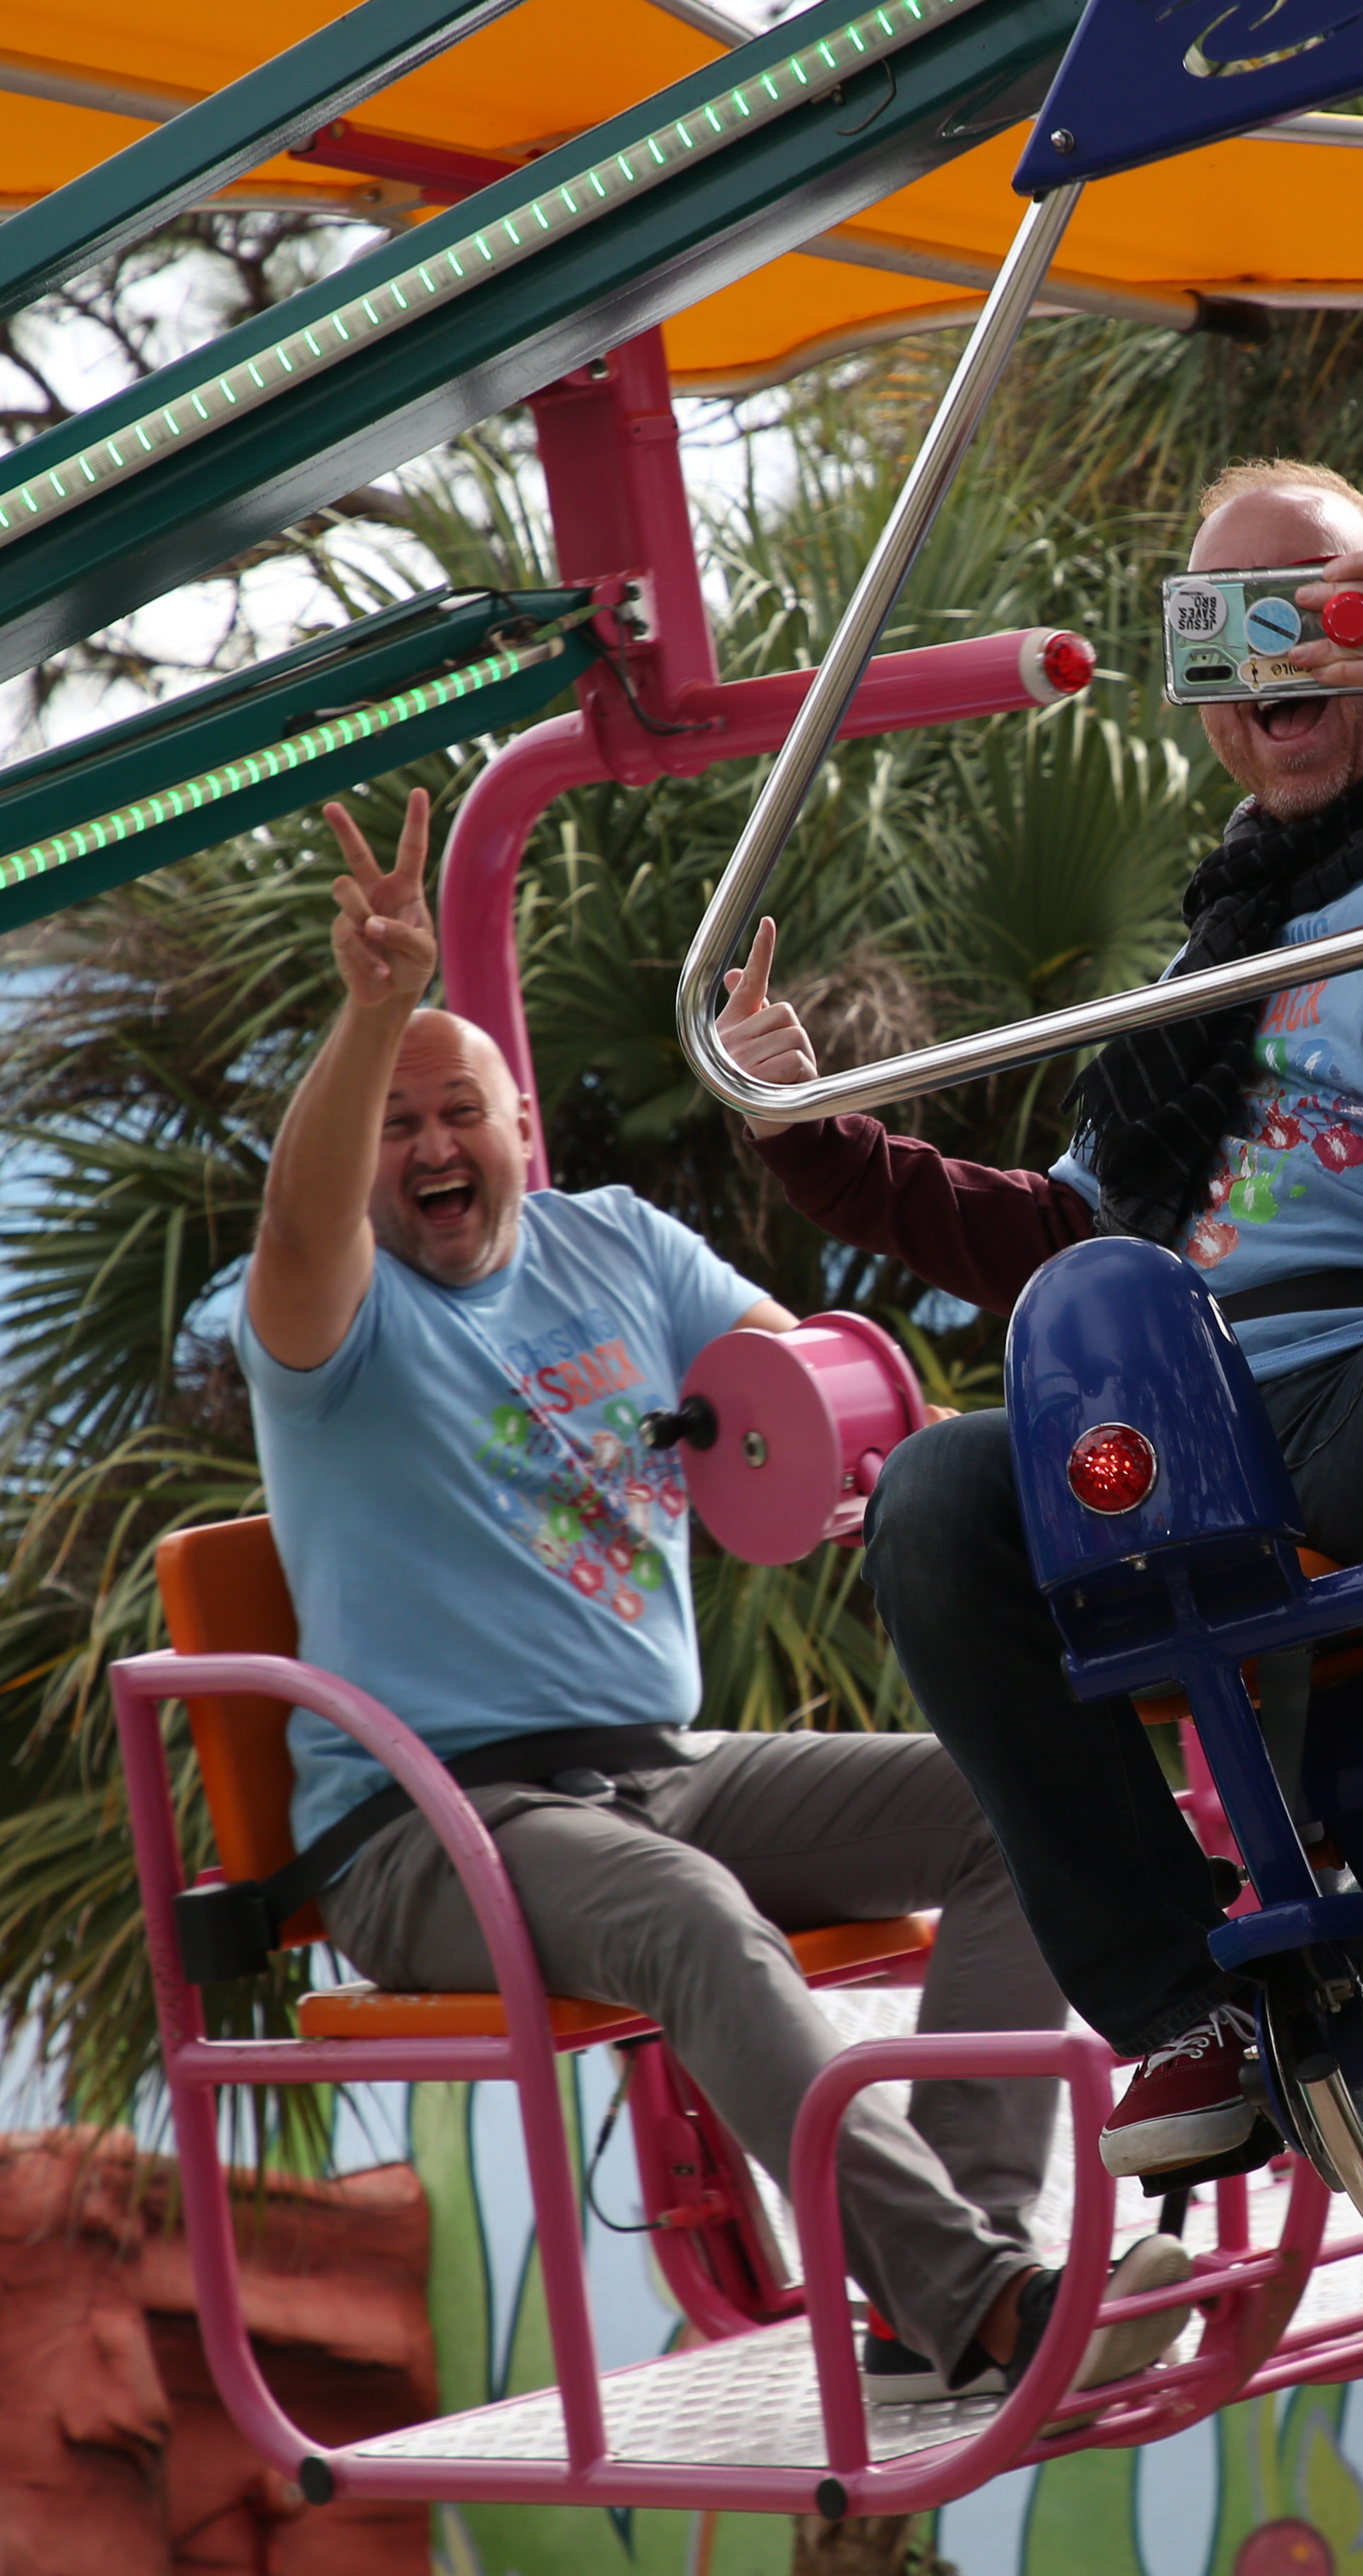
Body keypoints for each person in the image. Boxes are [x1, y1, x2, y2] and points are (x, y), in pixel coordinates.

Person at [716, 461, 1363, 2182]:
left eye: (1316, 613)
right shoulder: (1206, 968)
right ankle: (1182, 1998)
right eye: (1227, 630)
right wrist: (812, 1140)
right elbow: (1060, 1232)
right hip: (1200, 1450)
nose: (1272, 666)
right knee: (943, 1490)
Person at [232, 787, 1189, 2405]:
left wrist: (879, 1444)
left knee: (1018, 1794)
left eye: (455, 1111)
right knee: (692, 1920)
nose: (428, 1150)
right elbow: (301, 1216)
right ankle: (988, 2298)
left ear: (521, 1127)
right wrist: (381, 1011)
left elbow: (799, 1402)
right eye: (394, 1127)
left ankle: (953, 2270)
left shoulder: (616, 1243)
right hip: (429, 1827)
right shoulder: (329, 1320)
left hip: (658, 1767)